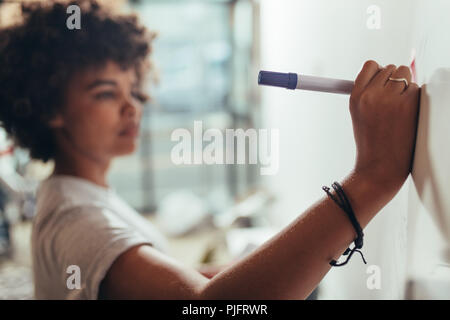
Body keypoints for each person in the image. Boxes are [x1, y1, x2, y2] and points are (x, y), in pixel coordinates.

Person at [0, 0, 420, 299]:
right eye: (106, 93)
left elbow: (172, 280)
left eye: (133, 90)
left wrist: (289, 258)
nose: (133, 106)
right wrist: (372, 177)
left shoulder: (83, 195)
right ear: (51, 107)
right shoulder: (77, 220)